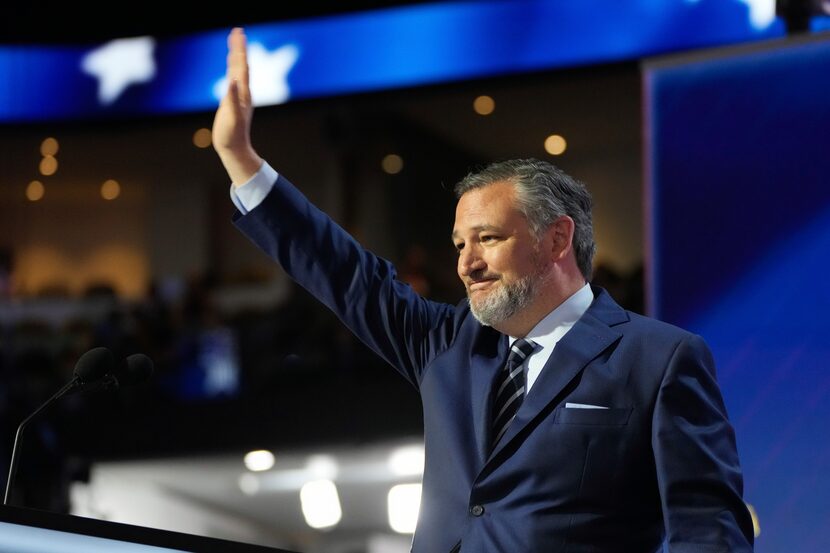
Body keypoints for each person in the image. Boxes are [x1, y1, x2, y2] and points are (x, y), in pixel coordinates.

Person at [213, 28, 754, 553]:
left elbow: (707, 531)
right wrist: (242, 161)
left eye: (488, 239)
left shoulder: (658, 359)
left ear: (557, 238)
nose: (466, 264)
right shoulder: (446, 345)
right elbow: (345, 273)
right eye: (458, 245)